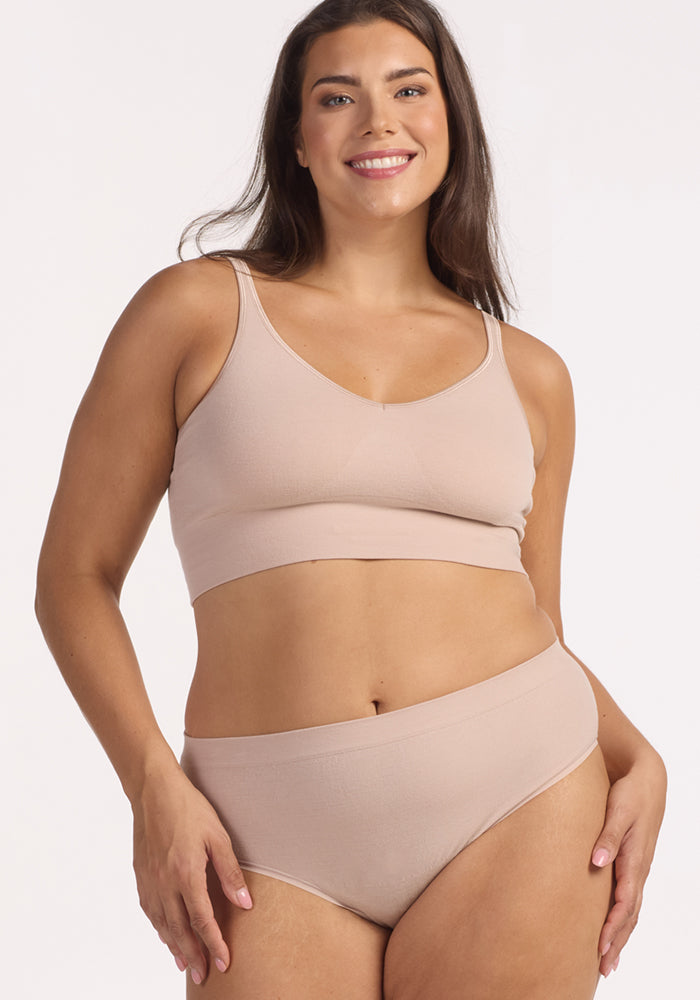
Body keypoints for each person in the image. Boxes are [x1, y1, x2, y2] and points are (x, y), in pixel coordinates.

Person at [35, 1, 666, 996]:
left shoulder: (531, 375)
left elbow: (541, 621)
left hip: (519, 800)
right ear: (296, 139)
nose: (379, 121)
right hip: (262, 834)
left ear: (449, 122)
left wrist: (639, 756)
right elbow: (73, 578)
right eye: (338, 96)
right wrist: (152, 786)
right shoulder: (197, 311)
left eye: (408, 90)